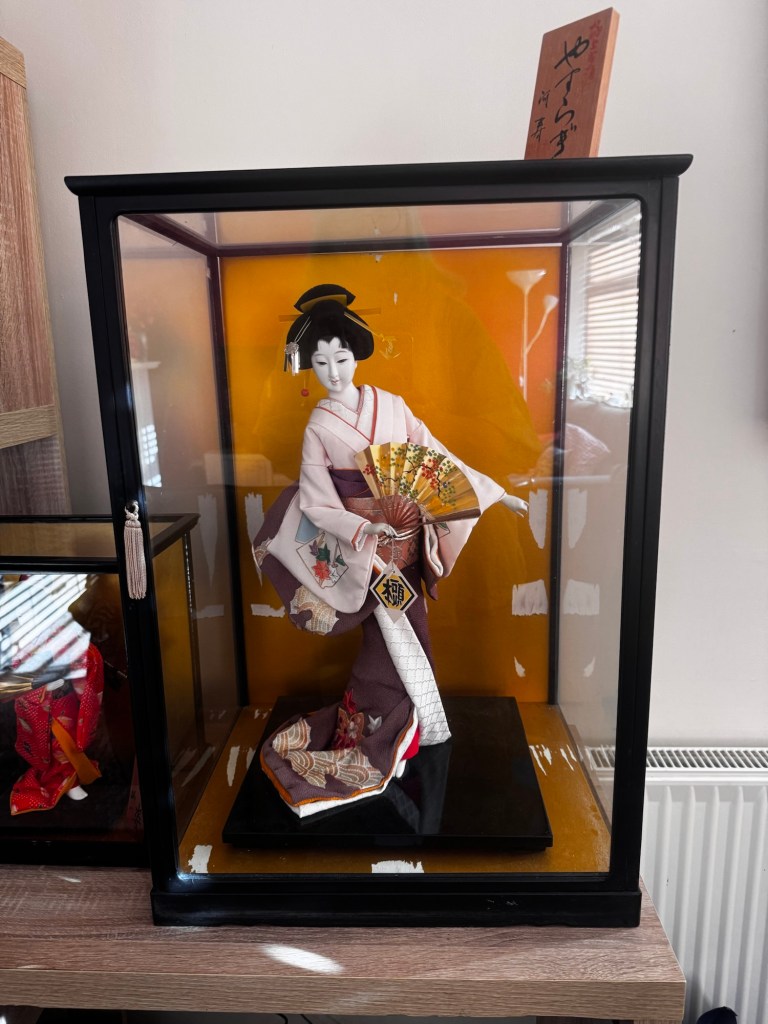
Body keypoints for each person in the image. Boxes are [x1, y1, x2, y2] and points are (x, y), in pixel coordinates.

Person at [253, 284, 526, 817]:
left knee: (410, 631)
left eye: (341, 358)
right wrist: (362, 529)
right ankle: (389, 734)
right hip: (367, 550)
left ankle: (396, 732)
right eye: (321, 362)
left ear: (357, 355)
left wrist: (494, 492)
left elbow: (436, 459)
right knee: (395, 635)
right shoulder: (319, 426)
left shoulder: (393, 406)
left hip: (406, 541)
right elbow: (316, 500)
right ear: (308, 366)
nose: (334, 372)